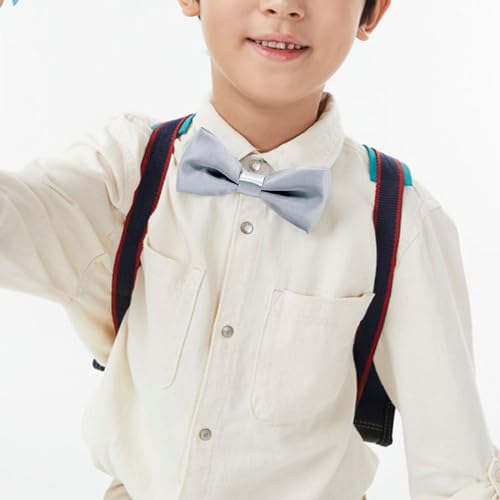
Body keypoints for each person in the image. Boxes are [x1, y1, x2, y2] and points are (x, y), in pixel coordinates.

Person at [1, 0, 499, 499]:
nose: (283, 6)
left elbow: (457, 474)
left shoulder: (397, 217)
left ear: (372, 13)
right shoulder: (126, 171)